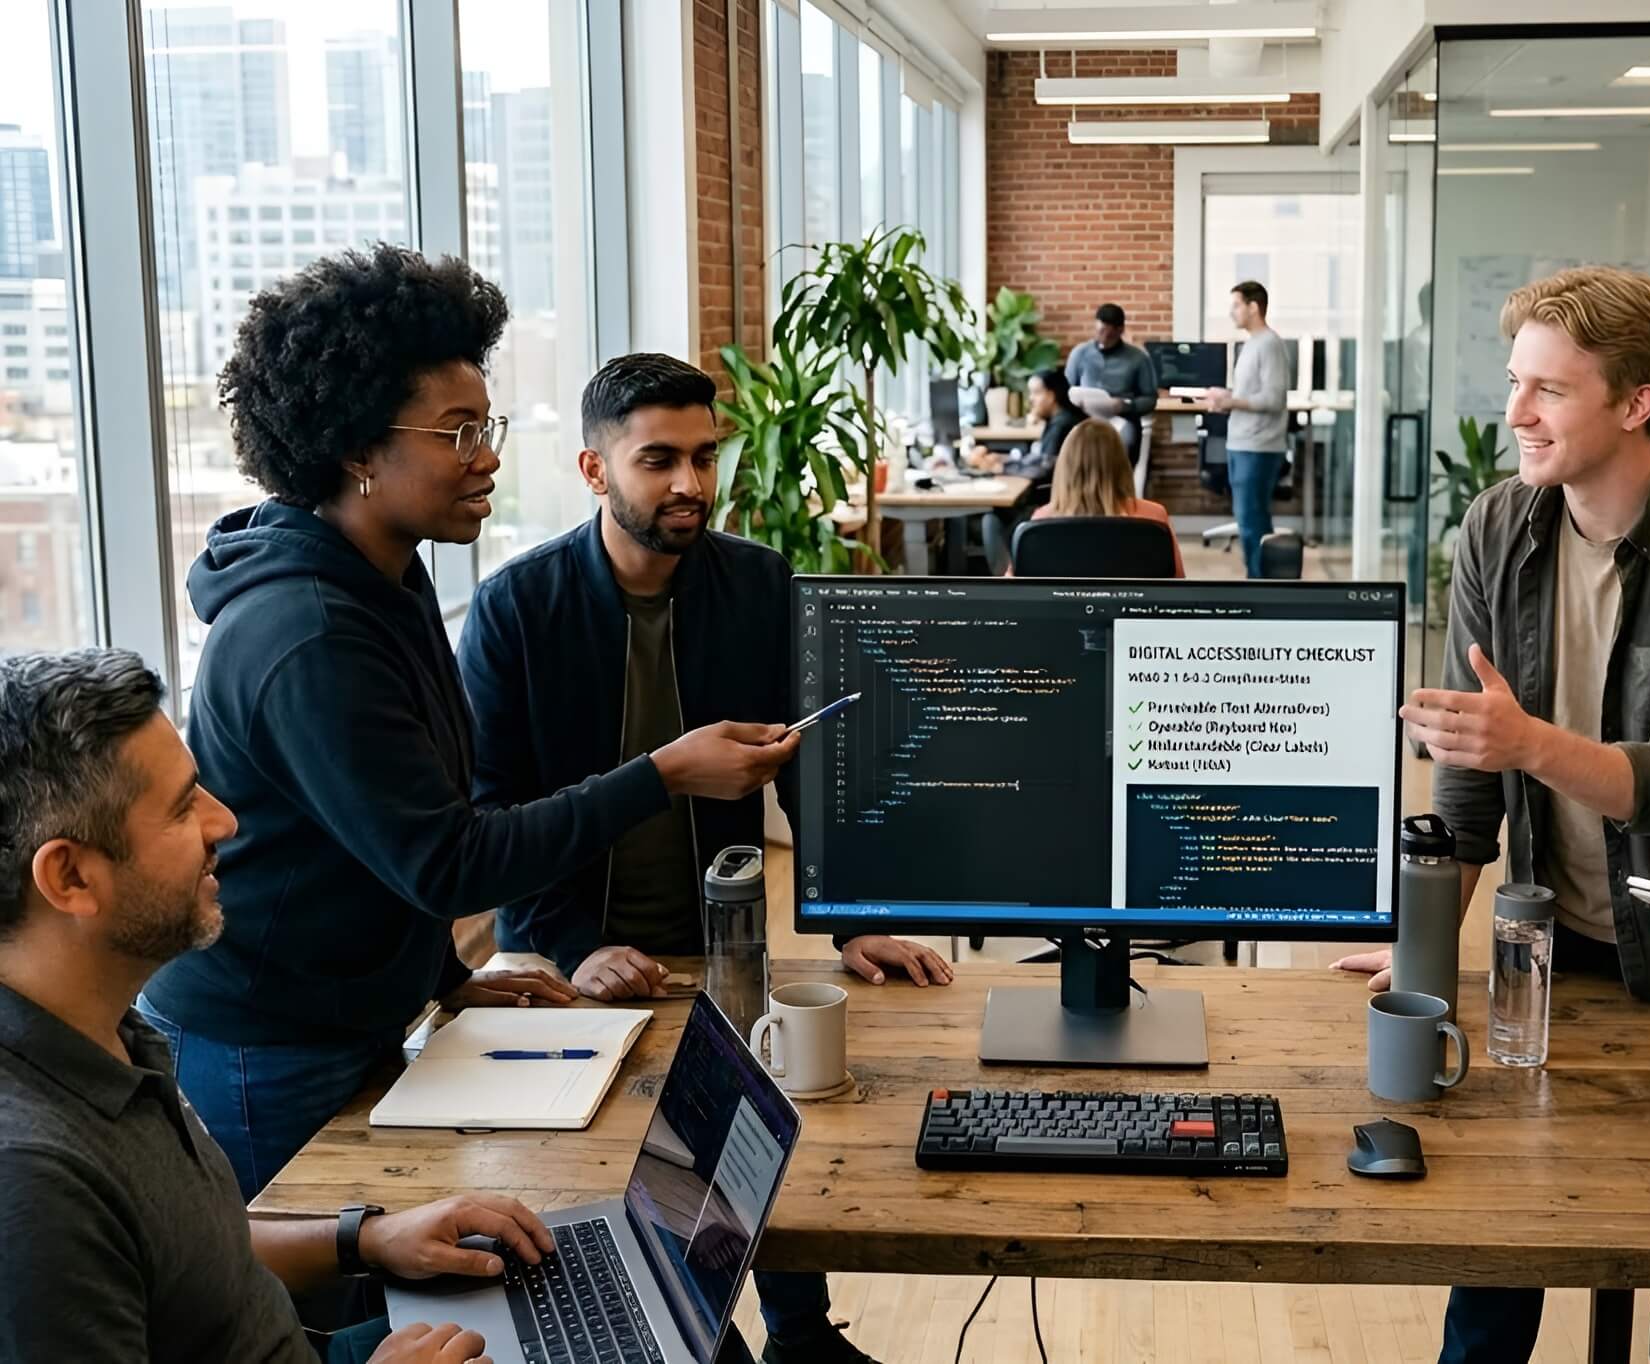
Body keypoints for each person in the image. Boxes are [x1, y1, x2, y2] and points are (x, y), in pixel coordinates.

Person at [139, 247, 801, 1204]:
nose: (487, 455)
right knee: (321, 1328)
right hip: (269, 1041)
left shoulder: (384, 585)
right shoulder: (310, 635)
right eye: (457, 433)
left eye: (483, 426)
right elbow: (446, 859)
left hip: (356, 1010)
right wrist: (659, 774)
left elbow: (386, 829)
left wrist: (442, 979)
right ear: (359, 450)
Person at [1334, 266, 1650, 1364]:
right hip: (1546, 947)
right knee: (1496, 1250)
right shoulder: (1496, 525)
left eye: (1548, 389)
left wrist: (1521, 739)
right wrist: (1419, 944)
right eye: (1513, 382)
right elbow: (1465, 782)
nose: (1516, 413)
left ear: (1635, 403)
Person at [459, 352, 945, 1363]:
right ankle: (662, 1337)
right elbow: (493, 811)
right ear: (594, 470)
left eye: (704, 457)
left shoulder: (755, 583)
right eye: (658, 460)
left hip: (711, 925)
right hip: (561, 963)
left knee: (748, 1125)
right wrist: (572, 943)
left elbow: (804, 765)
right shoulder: (516, 609)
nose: (690, 483)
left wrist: (849, 917)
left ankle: (802, 1333)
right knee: (605, 1174)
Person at [0, 647, 561, 1364]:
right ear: (71, 875)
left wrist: (365, 1239)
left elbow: (189, 1255)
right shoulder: (31, 1186)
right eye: (181, 808)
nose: (225, 822)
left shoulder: (107, 1029)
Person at [1017, 419, 1184, 576]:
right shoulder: (1154, 517)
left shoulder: (1041, 522)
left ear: (1065, 466)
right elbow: (1176, 585)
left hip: (1062, 608)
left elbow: (1018, 589)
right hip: (1133, 606)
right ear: (1122, 465)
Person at [1204, 280, 1291, 577]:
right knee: (1248, 521)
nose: (1232, 313)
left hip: (1259, 446)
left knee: (1253, 522)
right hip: (1241, 442)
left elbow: (1274, 398)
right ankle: (1257, 580)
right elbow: (1253, 393)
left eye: (1236, 305)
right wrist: (1227, 395)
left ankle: (1261, 585)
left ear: (1254, 307)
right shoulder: (1252, 344)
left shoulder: (1269, 344)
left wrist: (1231, 402)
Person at [969, 366, 1085, 571]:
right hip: (1061, 499)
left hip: (1052, 503)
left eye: (1036, 393)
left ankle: (1006, 577)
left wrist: (999, 466)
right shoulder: (1062, 419)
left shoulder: (1062, 424)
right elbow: (1042, 459)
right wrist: (1003, 461)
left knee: (991, 518)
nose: (1030, 399)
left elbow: (1044, 467)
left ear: (1051, 395)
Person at [1065, 302, 1157, 467]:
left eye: (1109, 335)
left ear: (1120, 331)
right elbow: (1064, 390)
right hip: (1084, 417)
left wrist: (1125, 406)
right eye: (1100, 332)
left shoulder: (1138, 358)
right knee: (1071, 442)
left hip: (1121, 418)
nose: (1103, 339)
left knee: (1120, 443)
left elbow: (1150, 399)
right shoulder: (1080, 353)